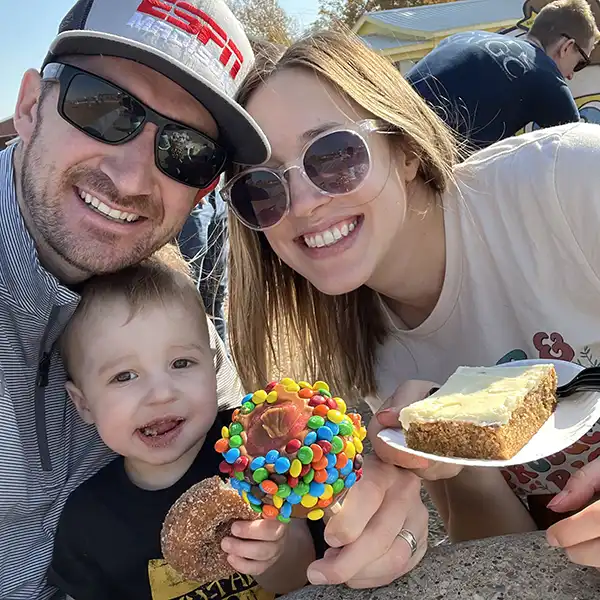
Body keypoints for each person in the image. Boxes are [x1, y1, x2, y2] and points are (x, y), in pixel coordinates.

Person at [2, 0, 427, 595]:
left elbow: (250, 468)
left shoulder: (164, 298)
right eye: (101, 108)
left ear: (204, 191)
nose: (129, 178)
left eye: (187, 152)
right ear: (28, 105)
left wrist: (368, 521)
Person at [222, 26, 600, 568]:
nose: (301, 204)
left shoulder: (566, 183)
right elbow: (506, 555)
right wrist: (452, 466)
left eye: (331, 155)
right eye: (261, 188)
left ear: (403, 150)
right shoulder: (374, 359)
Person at [47, 244, 324, 599]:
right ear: (83, 404)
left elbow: (301, 577)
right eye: (124, 376)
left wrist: (275, 552)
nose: (161, 393)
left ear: (212, 366)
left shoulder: (257, 453)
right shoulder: (87, 523)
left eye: (181, 363)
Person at [405, 0, 599, 151]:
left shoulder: (467, 36)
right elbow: (579, 150)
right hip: (418, 150)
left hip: (388, 119)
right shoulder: (546, 76)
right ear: (567, 47)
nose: (572, 74)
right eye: (581, 62)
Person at [178, 190, 229, 343]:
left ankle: (223, 363)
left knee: (215, 294)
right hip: (193, 201)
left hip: (220, 196)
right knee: (188, 296)